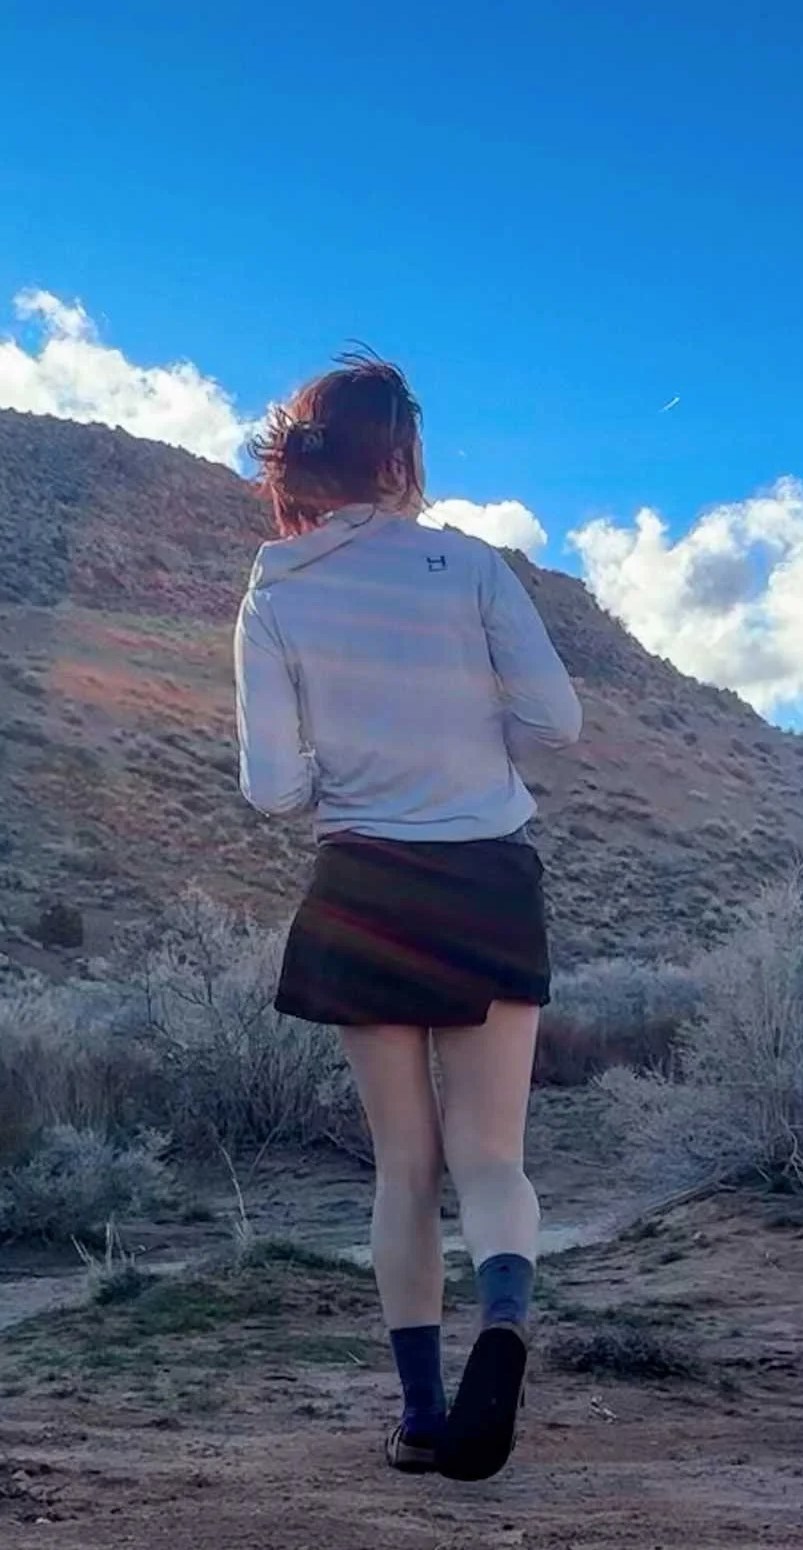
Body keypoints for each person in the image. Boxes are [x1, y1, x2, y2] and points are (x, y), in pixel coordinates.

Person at [233, 352, 581, 1482]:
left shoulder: (276, 587)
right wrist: (471, 752)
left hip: (367, 886)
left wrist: (357, 766)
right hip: (483, 874)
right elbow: (558, 721)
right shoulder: (470, 566)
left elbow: (272, 789)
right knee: (492, 1155)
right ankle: (510, 1326)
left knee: (403, 1166)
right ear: (403, 455)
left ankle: (423, 1414)